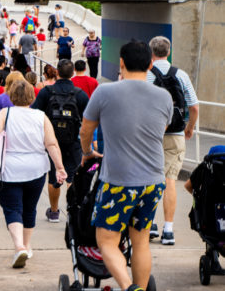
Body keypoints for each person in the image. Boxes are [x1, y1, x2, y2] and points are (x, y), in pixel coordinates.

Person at [79, 40, 173, 291]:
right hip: (153, 180)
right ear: (151, 64)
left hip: (118, 181)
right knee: (140, 241)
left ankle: (128, 287)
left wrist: (87, 152)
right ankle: (139, 288)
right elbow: (160, 131)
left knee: (107, 240)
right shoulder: (164, 96)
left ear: (121, 63)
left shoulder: (105, 92)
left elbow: (86, 129)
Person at [0, 79, 67, 268]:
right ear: (32, 96)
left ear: (11, 96)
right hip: (36, 169)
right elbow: (52, 144)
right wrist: (60, 167)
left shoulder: (4, 114)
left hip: (10, 168)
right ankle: (28, 245)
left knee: (12, 208)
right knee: (30, 208)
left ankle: (19, 246)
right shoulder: (41, 116)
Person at [146, 36, 199, 245]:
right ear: (168, 51)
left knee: (149, 179)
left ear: (151, 52)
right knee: (169, 181)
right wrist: (189, 127)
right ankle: (168, 230)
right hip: (176, 134)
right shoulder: (181, 75)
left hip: (150, 135)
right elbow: (194, 106)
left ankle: (149, 224)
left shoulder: (145, 75)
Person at [31, 59, 89, 223]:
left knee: (53, 176)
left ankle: (54, 212)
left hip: (51, 142)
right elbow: (90, 118)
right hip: (74, 142)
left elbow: (34, 114)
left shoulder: (47, 92)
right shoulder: (79, 94)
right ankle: (72, 211)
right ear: (72, 74)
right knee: (72, 177)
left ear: (57, 72)